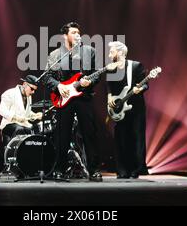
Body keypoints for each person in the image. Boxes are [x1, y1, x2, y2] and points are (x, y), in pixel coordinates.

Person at [43, 22, 103, 182]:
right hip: (64, 99)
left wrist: (90, 82)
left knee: (89, 134)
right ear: (65, 36)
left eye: (79, 32)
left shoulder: (89, 51)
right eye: (74, 32)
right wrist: (58, 85)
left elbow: (98, 72)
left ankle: (94, 169)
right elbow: (47, 76)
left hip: (84, 97)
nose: (78, 35)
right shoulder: (56, 55)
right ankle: (59, 169)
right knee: (61, 136)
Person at [106, 41, 149, 179]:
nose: (109, 54)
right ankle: (122, 170)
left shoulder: (135, 66)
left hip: (136, 108)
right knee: (121, 139)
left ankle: (136, 169)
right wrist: (109, 97)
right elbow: (109, 86)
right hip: (119, 109)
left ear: (120, 52)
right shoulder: (111, 69)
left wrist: (139, 89)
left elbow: (146, 84)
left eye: (111, 51)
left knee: (136, 137)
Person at [0, 75, 43, 146]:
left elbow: (25, 113)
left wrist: (35, 115)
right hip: (9, 125)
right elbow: (1, 110)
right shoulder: (10, 93)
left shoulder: (28, 96)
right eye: (32, 89)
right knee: (20, 129)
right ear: (24, 84)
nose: (33, 92)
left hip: (22, 126)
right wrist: (16, 118)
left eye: (34, 90)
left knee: (34, 131)